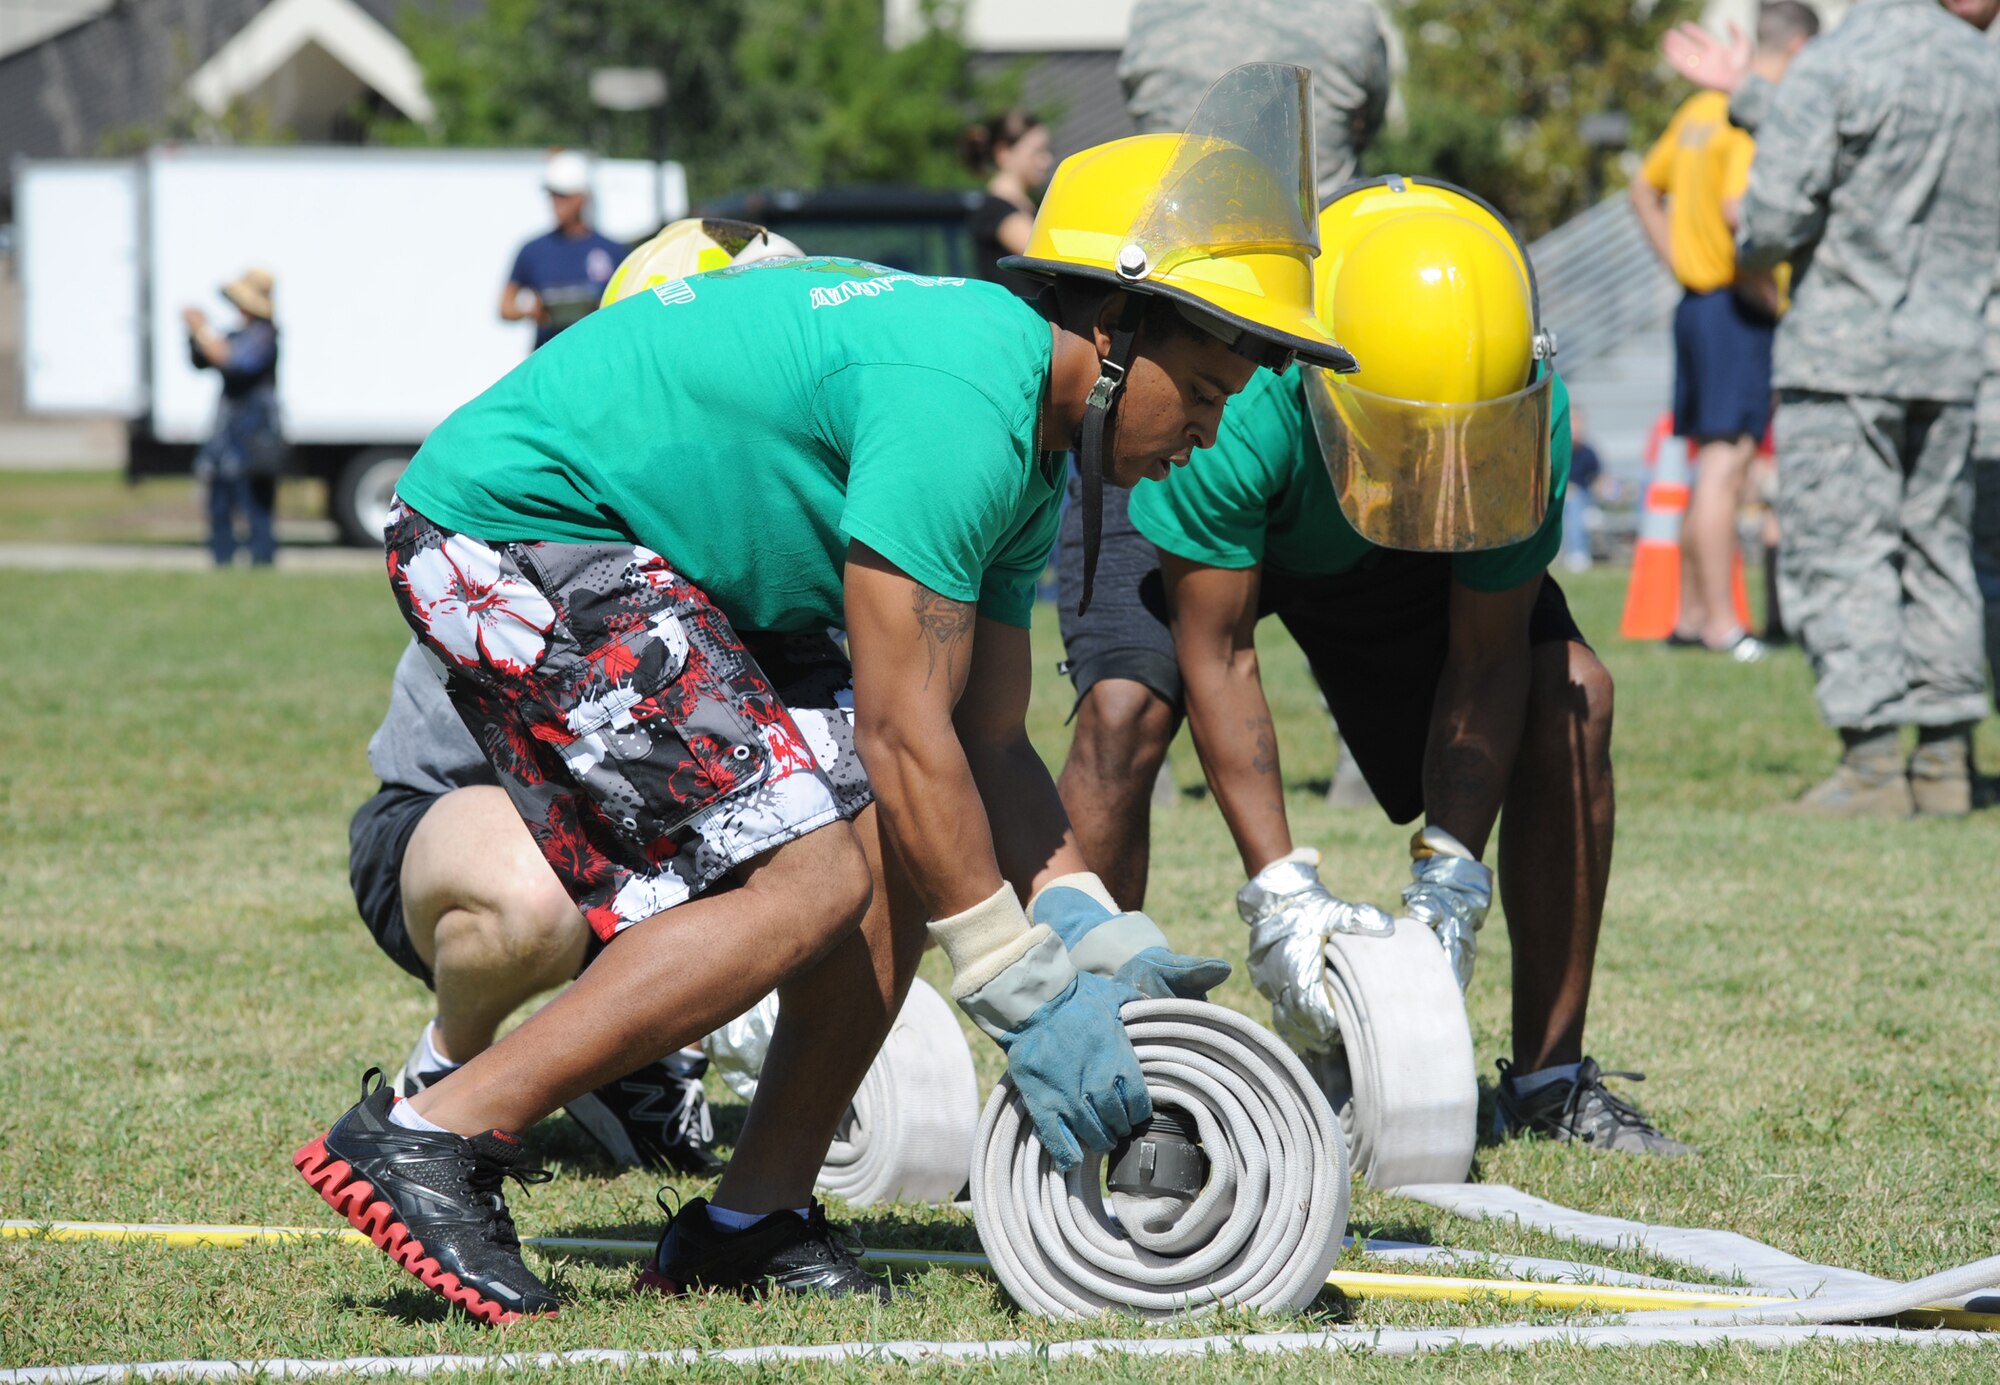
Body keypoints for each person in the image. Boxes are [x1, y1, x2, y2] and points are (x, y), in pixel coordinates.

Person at [292, 64, 1353, 1323]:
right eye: (1214, 390)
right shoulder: (968, 393)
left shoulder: (1025, 440)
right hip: (510, 524)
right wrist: (1009, 980)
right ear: (1116, 332)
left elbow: (979, 736)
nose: (1215, 432)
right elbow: (904, 727)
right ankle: (434, 1131)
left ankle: (753, 1215)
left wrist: (1084, 923)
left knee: (891, 844)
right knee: (811, 872)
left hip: (620, 545)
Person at [1056, 176, 1688, 1156]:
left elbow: (1488, 660)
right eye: (1411, 435)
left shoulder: (1521, 415)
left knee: (1573, 694)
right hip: (1234, 490)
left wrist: (1449, 881)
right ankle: (1087, 1075)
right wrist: (1281, 897)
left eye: (1462, 438)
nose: (1437, 456)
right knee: (1122, 713)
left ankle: (1550, 1080)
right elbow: (1219, 652)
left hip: (1372, 537)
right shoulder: (1243, 391)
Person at [1666, 0, 2000, 817]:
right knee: (1940, 548)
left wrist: (1755, 243)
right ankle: (1946, 762)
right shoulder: (1984, 71)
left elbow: (1774, 219)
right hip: (1956, 354)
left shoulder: (1841, 59)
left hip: (1846, 352)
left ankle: (1872, 764)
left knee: (1843, 549)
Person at [1082, 0, 1397, 866]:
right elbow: (1368, 114)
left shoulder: (1157, 18)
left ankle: (1086, 980)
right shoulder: (1346, 20)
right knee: (1132, 691)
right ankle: (1357, 760)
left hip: (1175, 326)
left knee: (1122, 706)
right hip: (1308, 337)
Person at [350, 640, 722, 1173]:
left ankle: (639, 1061)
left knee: (770, 839)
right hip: (462, 818)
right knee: (537, 897)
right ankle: (450, 1066)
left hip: (651, 827)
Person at [1629, 1, 1818, 661]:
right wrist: (1770, 299)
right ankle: (1718, 624)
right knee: (1726, 466)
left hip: (1697, 304)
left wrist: (1682, 263)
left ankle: (1687, 615)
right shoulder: (1745, 120)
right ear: (1796, 51)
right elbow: (1744, 214)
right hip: (1737, 309)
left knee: (1710, 463)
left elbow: (1642, 191)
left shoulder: (1697, 112)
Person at [184, 267, 282, 567]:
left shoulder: (264, 335)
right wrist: (195, 336)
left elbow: (233, 361)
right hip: (228, 432)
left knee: (256, 504)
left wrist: (202, 330)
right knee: (220, 501)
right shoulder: (238, 333)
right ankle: (222, 559)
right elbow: (202, 360)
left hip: (255, 433)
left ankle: (261, 561)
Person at [500, 151, 628, 350]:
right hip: (547, 359)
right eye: (552, 195)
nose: (555, 203)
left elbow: (629, 306)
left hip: (597, 356)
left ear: (581, 198)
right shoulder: (532, 251)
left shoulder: (613, 251)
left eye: (563, 196)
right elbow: (505, 308)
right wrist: (529, 310)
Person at [962, 111, 1054, 296]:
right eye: (1037, 152)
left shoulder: (1024, 205)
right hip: (1016, 322)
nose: (1046, 160)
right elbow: (1048, 258)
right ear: (1004, 153)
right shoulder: (996, 210)